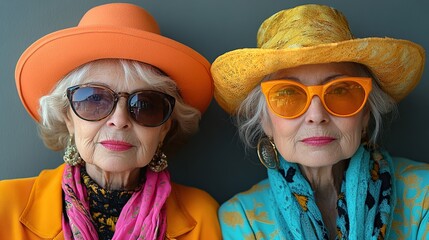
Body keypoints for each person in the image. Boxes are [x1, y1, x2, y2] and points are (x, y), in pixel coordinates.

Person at [0, 3, 221, 239]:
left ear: (165, 126)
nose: (119, 120)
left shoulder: (201, 217)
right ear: (68, 117)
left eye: (145, 104)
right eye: (95, 99)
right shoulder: (5, 206)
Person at [211, 4, 428, 240]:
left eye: (341, 91)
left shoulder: (423, 195)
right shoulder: (243, 219)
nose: (316, 115)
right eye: (287, 94)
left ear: (365, 113)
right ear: (265, 121)